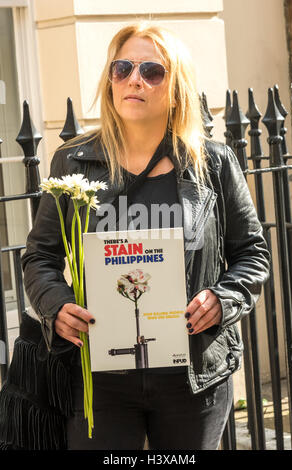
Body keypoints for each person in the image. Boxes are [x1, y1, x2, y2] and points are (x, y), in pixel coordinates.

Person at [0, 22, 270, 450]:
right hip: (100, 377)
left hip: (192, 375)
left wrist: (223, 299)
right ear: (110, 80)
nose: (134, 80)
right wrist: (56, 306)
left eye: (152, 71)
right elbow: (39, 258)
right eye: (122, 68)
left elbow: (253, 254)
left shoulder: (213, 164)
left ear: (176, 86)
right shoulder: (75, 161)